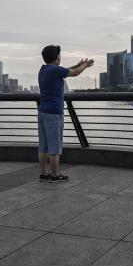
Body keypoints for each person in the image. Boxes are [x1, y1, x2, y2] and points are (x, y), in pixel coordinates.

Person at [37, 45, 94, 182]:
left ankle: (43, 173)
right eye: (59, 54)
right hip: (54, 113)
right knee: (54, 146)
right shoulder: (54, 70)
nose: (60, 56)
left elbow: (66, 70)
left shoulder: (44, 70)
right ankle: (55, 175)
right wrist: (85, 65)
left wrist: (78, 64)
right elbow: (74, 73)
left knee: (43, 145)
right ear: (57, 57)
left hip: (43, 111)